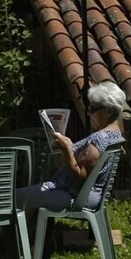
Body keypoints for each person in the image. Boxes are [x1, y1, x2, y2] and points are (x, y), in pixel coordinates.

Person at [17, 81, 125, 215]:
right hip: (80, 194)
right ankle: (29, 234)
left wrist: (67, 150)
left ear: (109, 111)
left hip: (73, 195)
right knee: (22, 197)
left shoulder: (100, 139)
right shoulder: (115, 135)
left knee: (11, 198)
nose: (89, 113)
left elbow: (79, 178)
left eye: (93, 109)